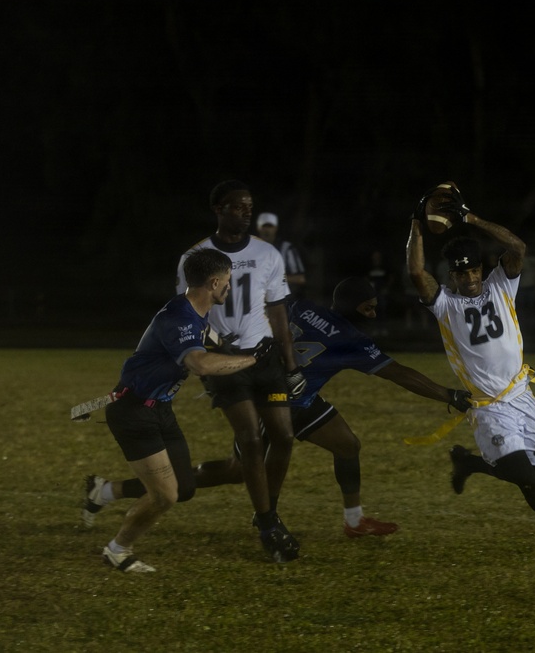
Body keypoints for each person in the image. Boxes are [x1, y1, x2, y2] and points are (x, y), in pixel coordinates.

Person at [86, 277, 473, 539]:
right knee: (236, 472)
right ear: (355, 307)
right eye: (369, 308)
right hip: (272, 402)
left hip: (297, 398)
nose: (374, 314)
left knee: (347, 444)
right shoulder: (351, 338)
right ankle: (109, 491)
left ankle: (354, 521)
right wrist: (448, 395)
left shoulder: (300, 306)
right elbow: (398, 373)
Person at [405, 182, 535, 555]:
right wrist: (416, 222)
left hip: (522, 396)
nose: (470, 279)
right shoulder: (446, 305)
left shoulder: (501, 286)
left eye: (474, 270)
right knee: (527, 481)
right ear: (452, 276)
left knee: (534, 481)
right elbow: (416, 273)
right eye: (462, 274)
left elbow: (517, 248)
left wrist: (471, 218)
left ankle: (469, 464)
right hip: (488, 407)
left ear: (482, 268)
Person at [89, 248, 267, 573]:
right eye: (227, 281)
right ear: (214, 283)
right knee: (165, 496)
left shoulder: (195, 311)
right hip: (133, 412)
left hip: (160, 409)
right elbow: (199, 364)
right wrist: (252, 360)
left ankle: (104, 491)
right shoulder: (178, 317)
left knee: (184, 488)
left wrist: (237, 348)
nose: (230, 286)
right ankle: (117, 550)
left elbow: (209, 338)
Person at [176, 180, 306, 562]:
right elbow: (186, 311)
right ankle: (268, 526)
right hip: (224, 361)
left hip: (264, 358)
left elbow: (278, 310)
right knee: (250, 440)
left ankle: (268, 509)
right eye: (238, 207)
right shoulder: (195, 256)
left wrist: (291, 363)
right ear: (218, 209)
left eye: (249, 207)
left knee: (283, 436)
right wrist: (210, 343)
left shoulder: (268, 253)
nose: (246, 213)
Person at [256, 211, 307, 299]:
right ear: (258, 228)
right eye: (264, 226)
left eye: (270, 226)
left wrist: (275, 278)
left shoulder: (287, 249)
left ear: (276, 228)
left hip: (283, 299)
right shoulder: (252, 249)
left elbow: (300, 279)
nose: (267, 230)